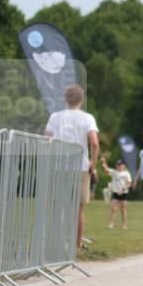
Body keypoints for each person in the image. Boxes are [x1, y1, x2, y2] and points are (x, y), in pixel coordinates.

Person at [45, 84, 99, 251]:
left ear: (66, 100)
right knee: (78, 209)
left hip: (59, 166)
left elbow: (46, 139)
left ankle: (57, 244)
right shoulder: (87, 118)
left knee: (58, 207)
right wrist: (93, 164)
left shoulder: (55, 117)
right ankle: (77, 245)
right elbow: (95, 143)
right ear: (82, 100)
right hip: (79, 166)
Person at [100, 158, 132, 229]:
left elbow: (129, 183)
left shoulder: (126, 173)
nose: (119, 166)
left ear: (124, 166)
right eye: (118, 165)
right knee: (113, 209)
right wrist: (103, 162)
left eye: (120, 165)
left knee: (123, 209)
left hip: (123, 193)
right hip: (116, 193)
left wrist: (123, 190)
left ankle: (124, 225)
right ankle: (111, 224)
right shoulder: (114, 172)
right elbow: (106, 170)